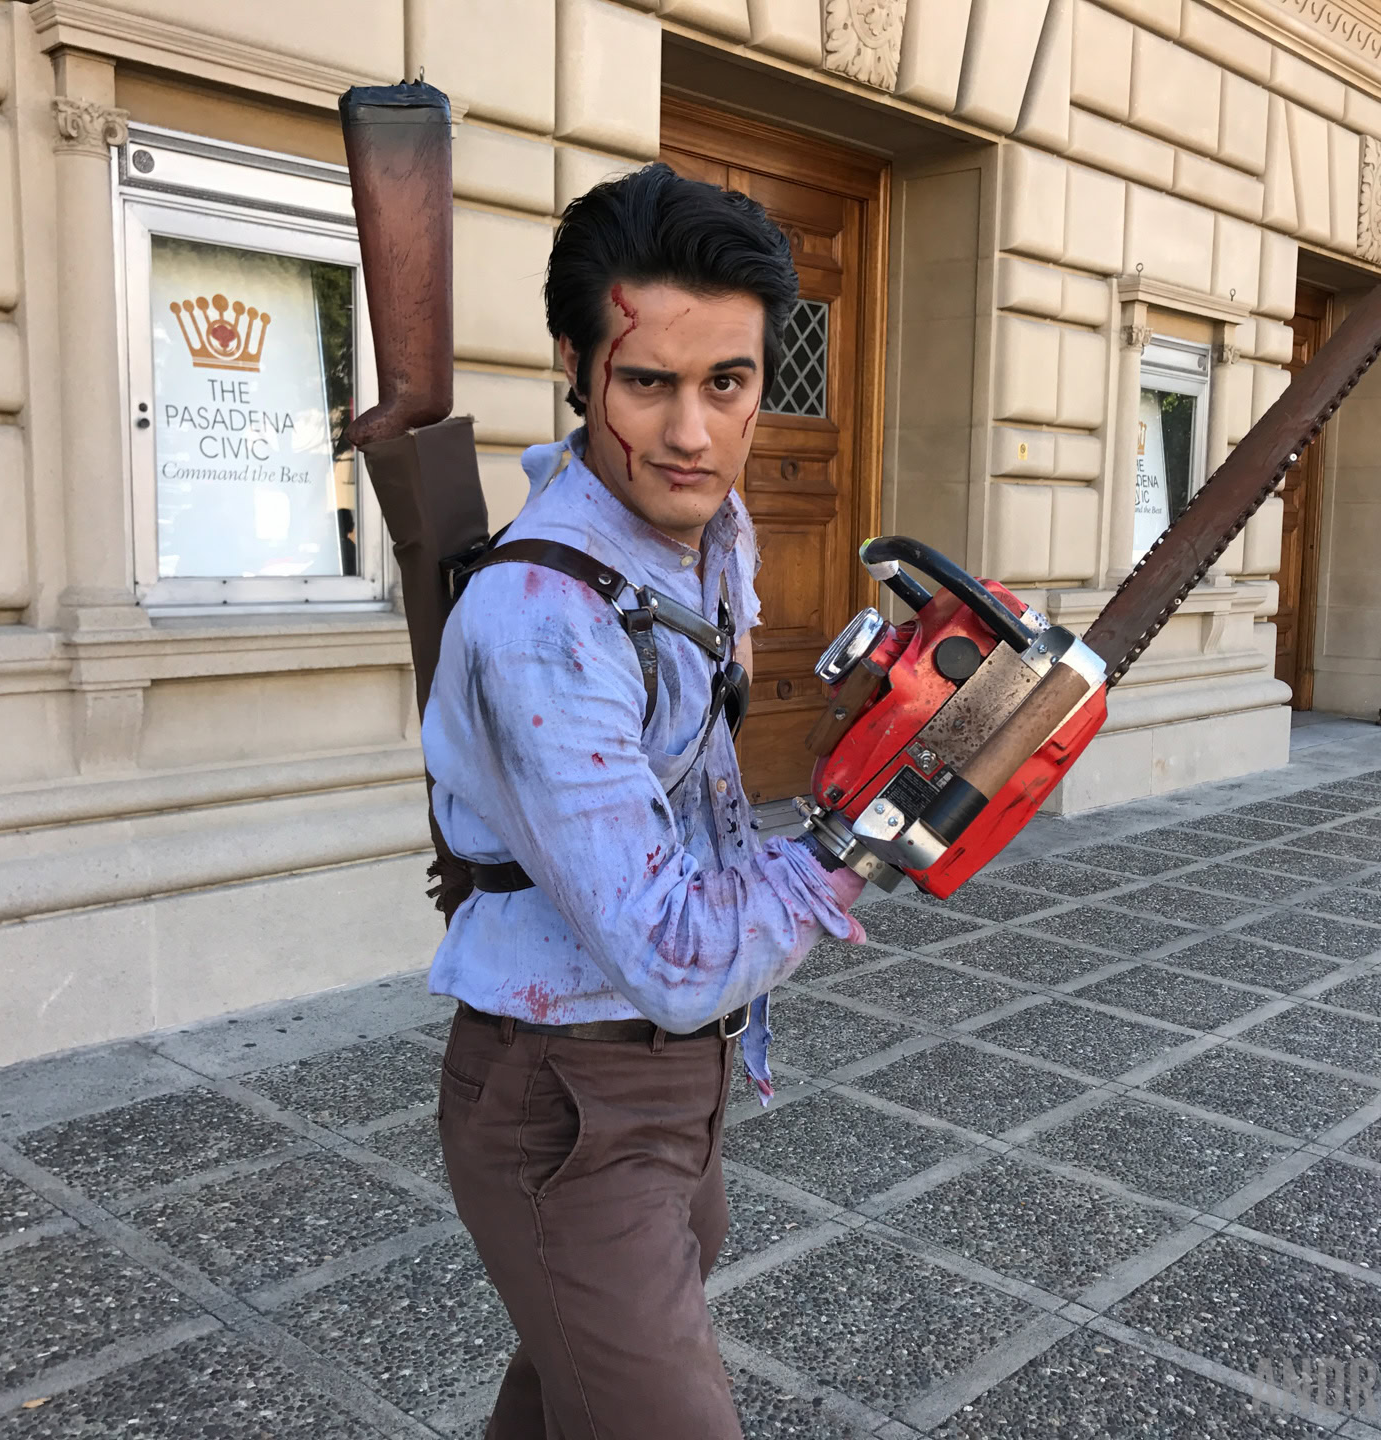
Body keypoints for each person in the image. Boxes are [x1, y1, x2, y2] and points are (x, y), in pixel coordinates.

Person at [421, 163, 867, 1439]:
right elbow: (675, 956)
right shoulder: (544, 618)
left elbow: (700, 769)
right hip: (566, 1107)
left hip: (679, 1084)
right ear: (577, 367)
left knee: (570, 1391)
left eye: (727, 384)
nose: (691, 434)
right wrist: (868, 838)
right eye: (647, 384)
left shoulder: (709, 532)